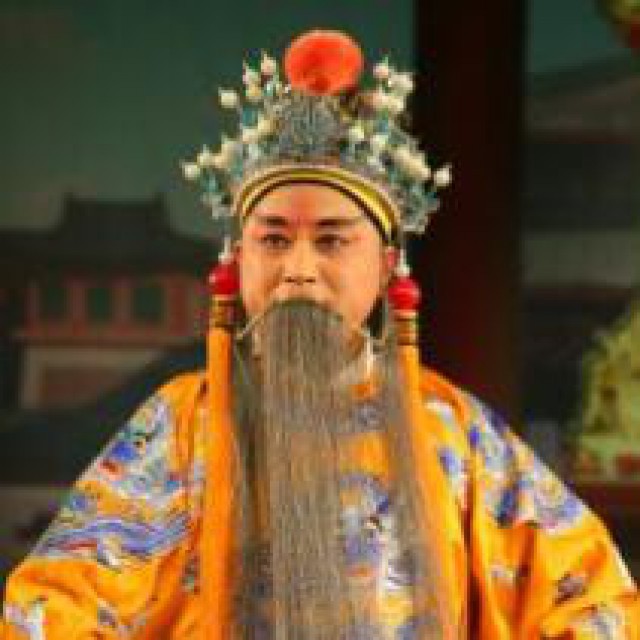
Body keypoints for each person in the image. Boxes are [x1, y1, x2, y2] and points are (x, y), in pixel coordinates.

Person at [1, 30, 638, 640]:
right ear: (237, 261)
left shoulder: (452, 433)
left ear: (387, 266)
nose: (298, 270)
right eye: (274, 239)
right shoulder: (181, 428)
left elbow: (591, 599)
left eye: (332, 240)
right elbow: (54, 604)